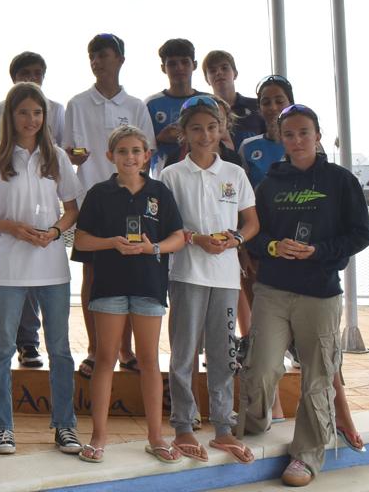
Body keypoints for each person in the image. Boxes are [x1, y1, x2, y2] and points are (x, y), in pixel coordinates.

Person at [238, 104, 369, 487]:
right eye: (290, 134)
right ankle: (254, 421)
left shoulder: (340, 181)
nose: (297, 140)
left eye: (304, 133)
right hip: (274, 290)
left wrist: (319, 252)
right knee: (261, 366)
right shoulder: (269, 184)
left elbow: (361, 234)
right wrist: (275, 248)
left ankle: (308, 457)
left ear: (317, 134)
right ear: (281, 138)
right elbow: (254, 236)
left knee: (318, 377)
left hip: (320, 293)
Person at [73, 125, 185, 464]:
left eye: (136, 151)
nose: (129, 157)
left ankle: (156, 436)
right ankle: (98, 438)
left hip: (149, 287)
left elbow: (178, 236)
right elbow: (80, 241)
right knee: (105, 359)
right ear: (111, 156)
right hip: (109, 288)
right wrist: (111, 243)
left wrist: (154, 249)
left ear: (147, 155)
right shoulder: (99, 193)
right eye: (122, 151)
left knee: (149, 361)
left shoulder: (160, 193)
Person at [0, 82, 82, 456]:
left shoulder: (56, 156)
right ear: (10, 116)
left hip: (52, 268)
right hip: (9, 267)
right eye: (23, 112)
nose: (31, 119)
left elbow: (71, 209)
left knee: (59, 350)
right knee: (1, 350)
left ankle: (65, 425)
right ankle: (3, 428)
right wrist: (13, 228)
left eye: (37, 113)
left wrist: (55, 231)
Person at [160, 96, 258, 464]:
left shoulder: (235, 173)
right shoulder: (171, 175)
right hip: (186, 274)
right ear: (183, 133)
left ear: (222, 130)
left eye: (212, 127)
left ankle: (222, 426)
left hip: (226, 278)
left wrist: (236, 239)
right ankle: (184, 424)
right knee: (184, 351)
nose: (205, 134)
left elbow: (251, 222)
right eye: (197, 128)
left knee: (223, 352)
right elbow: (166, 225)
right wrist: (195, 238)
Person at [64, 33, 154, 379]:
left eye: (103, 54)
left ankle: (125, 350)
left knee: (129, 274)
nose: (97, 60)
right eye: (92, 55)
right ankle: (93, 349)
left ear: (120, 59)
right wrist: (74, 155)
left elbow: (148, 154)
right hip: (92, 199)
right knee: (93, 274)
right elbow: (66, 151)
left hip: (132, 200)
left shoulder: (135, 105)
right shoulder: (76, 103)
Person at [0, 50, 63, 362]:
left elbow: (61, 155)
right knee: (12, 278)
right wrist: (11, 153)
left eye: (38, 72)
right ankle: (24, 341)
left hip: (47, 231)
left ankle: (29, 341)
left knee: (61, 349)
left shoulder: (57, 110)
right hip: (8, 212)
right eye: (26, 72)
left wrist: (54, 230)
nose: (32, 77)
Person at [145, 38, 199, 176]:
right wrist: (159, 138)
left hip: (203, 177)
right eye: (172, 64)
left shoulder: (207, 102)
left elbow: (224, 141)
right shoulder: (151, 104)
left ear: (194, 65)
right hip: (163, 180)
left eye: (184, 62)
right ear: (163, 68)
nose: (179, 68)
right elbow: (138, 148)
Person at [201, 50, 264, 149]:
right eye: (212, 70)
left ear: (235, 73)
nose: (219, 73)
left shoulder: (256, 106)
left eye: (224, 68)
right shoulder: (203, 112)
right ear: (206, 79)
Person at [238, 75, 293, 188]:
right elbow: (241, 192)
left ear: (291, 104)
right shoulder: (247, 146)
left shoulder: (306, 143)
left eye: (279, 101)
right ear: (259, 109)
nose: (273, 107)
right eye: (266, 102)